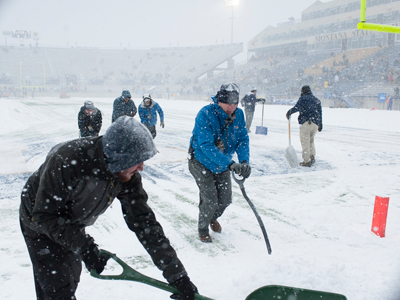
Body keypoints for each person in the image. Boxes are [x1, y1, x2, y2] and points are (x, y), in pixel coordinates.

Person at [19, 117, 199, 300]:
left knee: (70, 275)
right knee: (57, 286)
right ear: (119, 158)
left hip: (70, 221)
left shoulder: (126, 175)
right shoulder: (67, 160)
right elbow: (44, 216)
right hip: (38, 221)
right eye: (137, 161)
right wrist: (83, 245)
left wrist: (177, 276)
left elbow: (145, 223)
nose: (142, 167)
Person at [188, 83, 250, 243]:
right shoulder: (205, 114)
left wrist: (244, 162)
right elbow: (205, 145)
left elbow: (243, 139)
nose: (232, 107)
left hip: (222, 163)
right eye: (228, 103)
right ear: (219, 101)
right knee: (210, 198)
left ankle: (212, 217)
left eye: (235, 103)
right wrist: (229, 163)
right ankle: (203, 228)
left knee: (225, 199)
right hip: (201, 161)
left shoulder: (239, 115)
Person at [286, 85, 322, 167]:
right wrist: (320, 124)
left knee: (305, 141)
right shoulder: (316, 100)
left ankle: (307, 161)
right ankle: (312, 156)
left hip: (306, 122)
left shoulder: (303, 98)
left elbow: (297, 107)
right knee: (311, 140)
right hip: (315, 123)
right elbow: (320, 113)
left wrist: (289, 112)